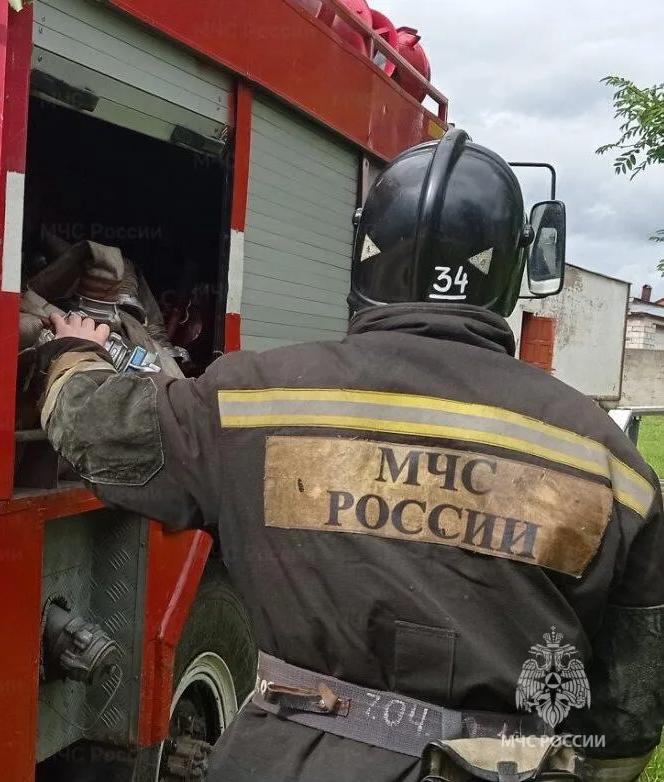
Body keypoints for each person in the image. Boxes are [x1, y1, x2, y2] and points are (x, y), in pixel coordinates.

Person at [36, 128, 664, 781]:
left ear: (366, 254)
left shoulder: (252, 403)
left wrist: (74, 348)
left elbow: (96, 429)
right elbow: (625, 724)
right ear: (511, 267)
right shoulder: (610, 467)